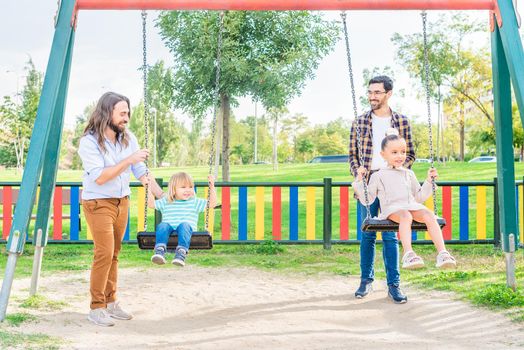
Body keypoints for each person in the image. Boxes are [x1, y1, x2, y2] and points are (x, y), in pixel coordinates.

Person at [78, 92, 163, 327]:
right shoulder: (89, 142)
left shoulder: (128, 138)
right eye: (122, 113)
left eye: (128, 113)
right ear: (108, 113)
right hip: (98, 202)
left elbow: (140, 171)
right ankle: (96, 308)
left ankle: (111, 301)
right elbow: (100, 177)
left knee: (114, 254)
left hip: (121, 201)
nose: (126, 118)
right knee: (104, 252)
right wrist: (128, 160)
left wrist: (161, 195)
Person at [349, 75, 414, 304]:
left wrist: (396, 171)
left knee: (390, 236)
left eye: (377, 92)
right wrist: (359, 172)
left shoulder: (402, 122)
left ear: (389, 93)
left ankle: (393, 284)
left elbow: (410, 154)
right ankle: (366, 281)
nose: (372, 96)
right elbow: (353, 156)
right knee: (367, 234)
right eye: (370, 92)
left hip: (392, 185)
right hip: (368, 185)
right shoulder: (359, 122)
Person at [353, 129, 457, 272]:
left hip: (410, 206)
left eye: (403, 152)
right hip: (392, 209)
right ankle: (408, 254)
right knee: (405, 216)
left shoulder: (409, 173)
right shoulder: (378, 175)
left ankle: (442, 253)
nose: (400, 156)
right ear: (383, 155)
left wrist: (428, 181)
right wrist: (359, 180)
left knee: (428, 214)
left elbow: (418, 197)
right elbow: (367, 199)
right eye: (394, 152)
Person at [148, 172, 217, 266]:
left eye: (190, 187)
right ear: (173, 189)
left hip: (187, 233)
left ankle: (181, 253)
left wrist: (212, 185)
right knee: (162, 225)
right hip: (169, 234)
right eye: (183, 187)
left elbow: (212, 204)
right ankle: (159, 251)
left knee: (184, 225)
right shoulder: (166, 201)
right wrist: (148, 187)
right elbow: (151, 204)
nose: (188, 190)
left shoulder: (194, 202)